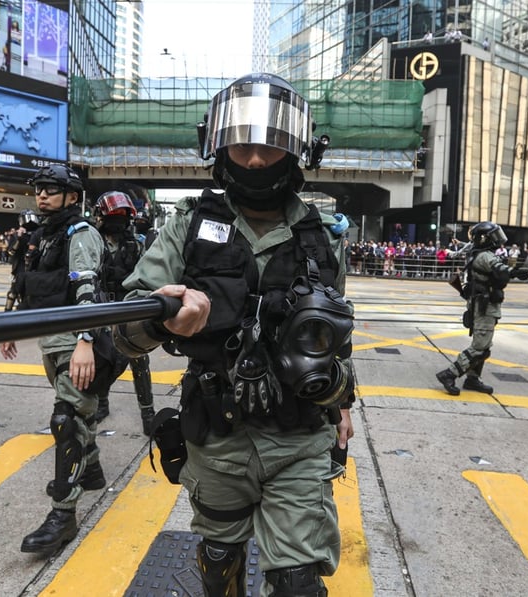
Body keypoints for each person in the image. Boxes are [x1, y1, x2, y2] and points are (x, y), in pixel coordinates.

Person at [114, 73, 354, 596]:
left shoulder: (324, 238)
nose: (255, 160)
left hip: (299, 436)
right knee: (219, 562)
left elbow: (337, 336)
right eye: (243, 145)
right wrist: (161, 318)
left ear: (297, 151)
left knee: (298, 582)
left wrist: (341, 404)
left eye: (270, 146)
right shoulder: (187, 225)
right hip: (217, 435)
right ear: (219, 147)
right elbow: (125, 329)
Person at [0, 164, 118, 554]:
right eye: (40, 189)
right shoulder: (40, 236)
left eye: (52, 189)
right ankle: (94, 469)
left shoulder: (80, 234)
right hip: (51, 341)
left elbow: (88, 284)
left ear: (72, 196)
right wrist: (9, 324)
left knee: (66, 420)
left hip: (75, 340)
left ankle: (62, 515)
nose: (43, 195)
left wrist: (85, 338)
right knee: (78, 414)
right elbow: (21, 280)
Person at [436, 222, 528, 396]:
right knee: (480, 347)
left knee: (483, 346)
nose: (497, 239)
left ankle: (472, 378)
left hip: (484, 305)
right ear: (485, 238)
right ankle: (449, 374)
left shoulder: (480, 253)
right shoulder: (485, 256)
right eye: (493, 236)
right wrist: (515, 272)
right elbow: (501, 272)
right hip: (484, 307)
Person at [94, 190, 152, 434]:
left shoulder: (136, 244)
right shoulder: (92, 241)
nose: (117, 220)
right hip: (99, 309)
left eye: (122, 216)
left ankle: (148, 413)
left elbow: (149, 275)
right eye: (113, 215)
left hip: (128, 309)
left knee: (139, 359)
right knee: (102, 359)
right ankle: (102, 402)